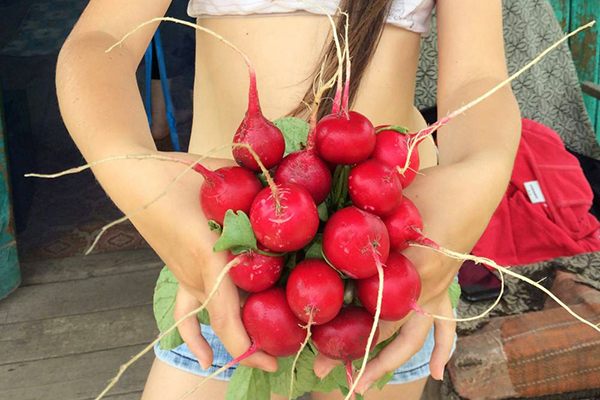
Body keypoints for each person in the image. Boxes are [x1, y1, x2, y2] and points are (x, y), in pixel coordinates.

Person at [56, 0, 521, 399]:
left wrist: (475, 183)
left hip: (386, 267)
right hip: (228, 267)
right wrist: (132, 174)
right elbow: (101, 38)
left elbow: (477, 78)